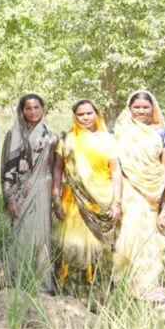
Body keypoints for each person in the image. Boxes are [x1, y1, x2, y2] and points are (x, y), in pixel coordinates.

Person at [112, 91, 165, 300]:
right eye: (136, 107)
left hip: (154, 191)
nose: (141, 111)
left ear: (153, 108)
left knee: (151, 236)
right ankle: (126, 285)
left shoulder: (161, 133)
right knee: (129, 235)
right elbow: (116, 167)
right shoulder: (121, 131)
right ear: (129, 109)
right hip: (130, 189)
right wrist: (117, 199)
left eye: (145, 107)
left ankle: (148, 285)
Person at [52, 99, 123, 289]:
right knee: (73, 243)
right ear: (75, 116)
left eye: (89, 113)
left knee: (99, 244)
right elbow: (57, 170)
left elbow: (115, 171)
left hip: (102, 199)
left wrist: (116, 202)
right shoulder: (67, 139)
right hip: (74, 200)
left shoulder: (108, 139)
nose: (85, 117)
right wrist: (56, 198)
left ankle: (99, 286)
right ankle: (71, 287)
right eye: (80, 114)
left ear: (96, 114)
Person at [0, 94, 58, 292]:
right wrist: (10, 198)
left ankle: (42, 284)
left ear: (43, 109)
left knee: (42, 235)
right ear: (21, 110)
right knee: (21, 234)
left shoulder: (51, 136)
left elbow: (53, 165)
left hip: (43, 188)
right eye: (28, 108)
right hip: (19, 192)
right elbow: (8, 166)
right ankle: (18, 280)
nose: (32, 112)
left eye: (36, 107)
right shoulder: (14, 134)